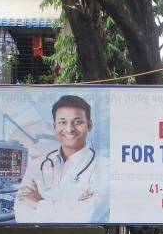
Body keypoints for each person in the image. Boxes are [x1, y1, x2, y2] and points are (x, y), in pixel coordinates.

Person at [15, 94, 107, 223]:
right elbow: (21, 214)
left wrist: (37, 203)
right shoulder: (37, 164)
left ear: (90, 125)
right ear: (55, 127)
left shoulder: (105, 166)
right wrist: (74, 206)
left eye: (78, 122)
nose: (69, 129)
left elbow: (88, 215)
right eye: (62, 122)